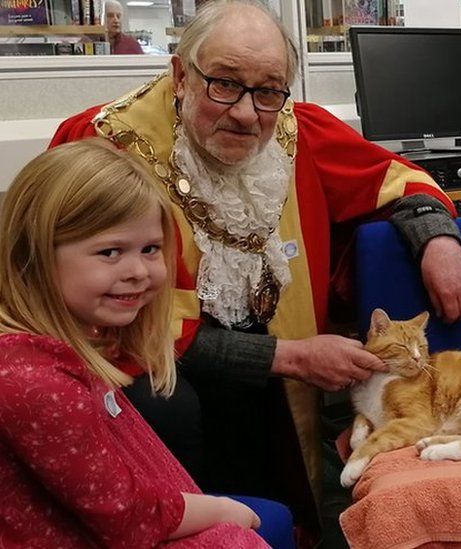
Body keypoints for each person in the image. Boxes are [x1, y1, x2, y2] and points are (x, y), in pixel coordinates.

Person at [49, 0, 461, 537]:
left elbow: (400, 183)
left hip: (275, 380)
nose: (248, 114)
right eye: (224, 84)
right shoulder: (100, 146)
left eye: (269, 90)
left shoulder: (297, 132)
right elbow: (91, 326)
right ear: (181, 75)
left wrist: (439, 241)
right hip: (159, 385)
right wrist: (287, 355)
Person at [0, 139, 266, 547]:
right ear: (31, 256)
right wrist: (223, 510)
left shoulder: (68, 347)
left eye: (150, 249)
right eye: (110, 252)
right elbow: (127, 519)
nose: (139, 271)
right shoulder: (35, 381)